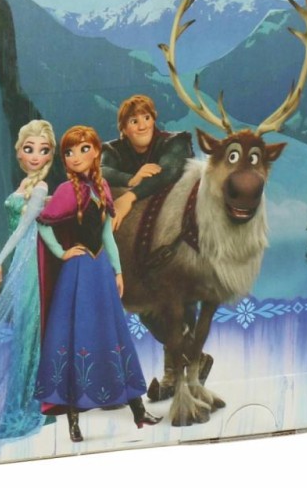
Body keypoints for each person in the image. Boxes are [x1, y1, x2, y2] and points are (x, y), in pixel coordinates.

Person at [34, 126, 160, 443]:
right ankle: (74, 422)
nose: (76, 157)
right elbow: (44, 223)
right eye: (69, 152)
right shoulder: (66, 190)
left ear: (96, 152)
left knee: (113, 335)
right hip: (77, 274)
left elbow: (107, 235)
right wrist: (61, 252)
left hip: (101, 271)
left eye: (83, 149)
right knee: (76, 339)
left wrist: (117, 271)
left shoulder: (102, 187)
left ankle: (138, 411)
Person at [0, 119, 56, 444]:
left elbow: (24, 227)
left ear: (49, 155)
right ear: (19, 153)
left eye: (43, 150)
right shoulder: (27, 183)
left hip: (31, 265)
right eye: (29, 149)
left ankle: (28, 407)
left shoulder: (40, 188)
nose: (36, 156)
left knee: (29, 334)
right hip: (22, 263)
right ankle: (27, 404)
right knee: (23, 334)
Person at [101, 95, 193, 228]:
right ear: (124, 129)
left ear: (153, 120)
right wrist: (131, 179)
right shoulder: (113, 149)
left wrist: (129, 197)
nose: (142, 126)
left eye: (147, 118)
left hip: (178, 221)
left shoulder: (176, 142)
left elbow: (169, 171)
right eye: (134, 121)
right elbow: (99, 170)